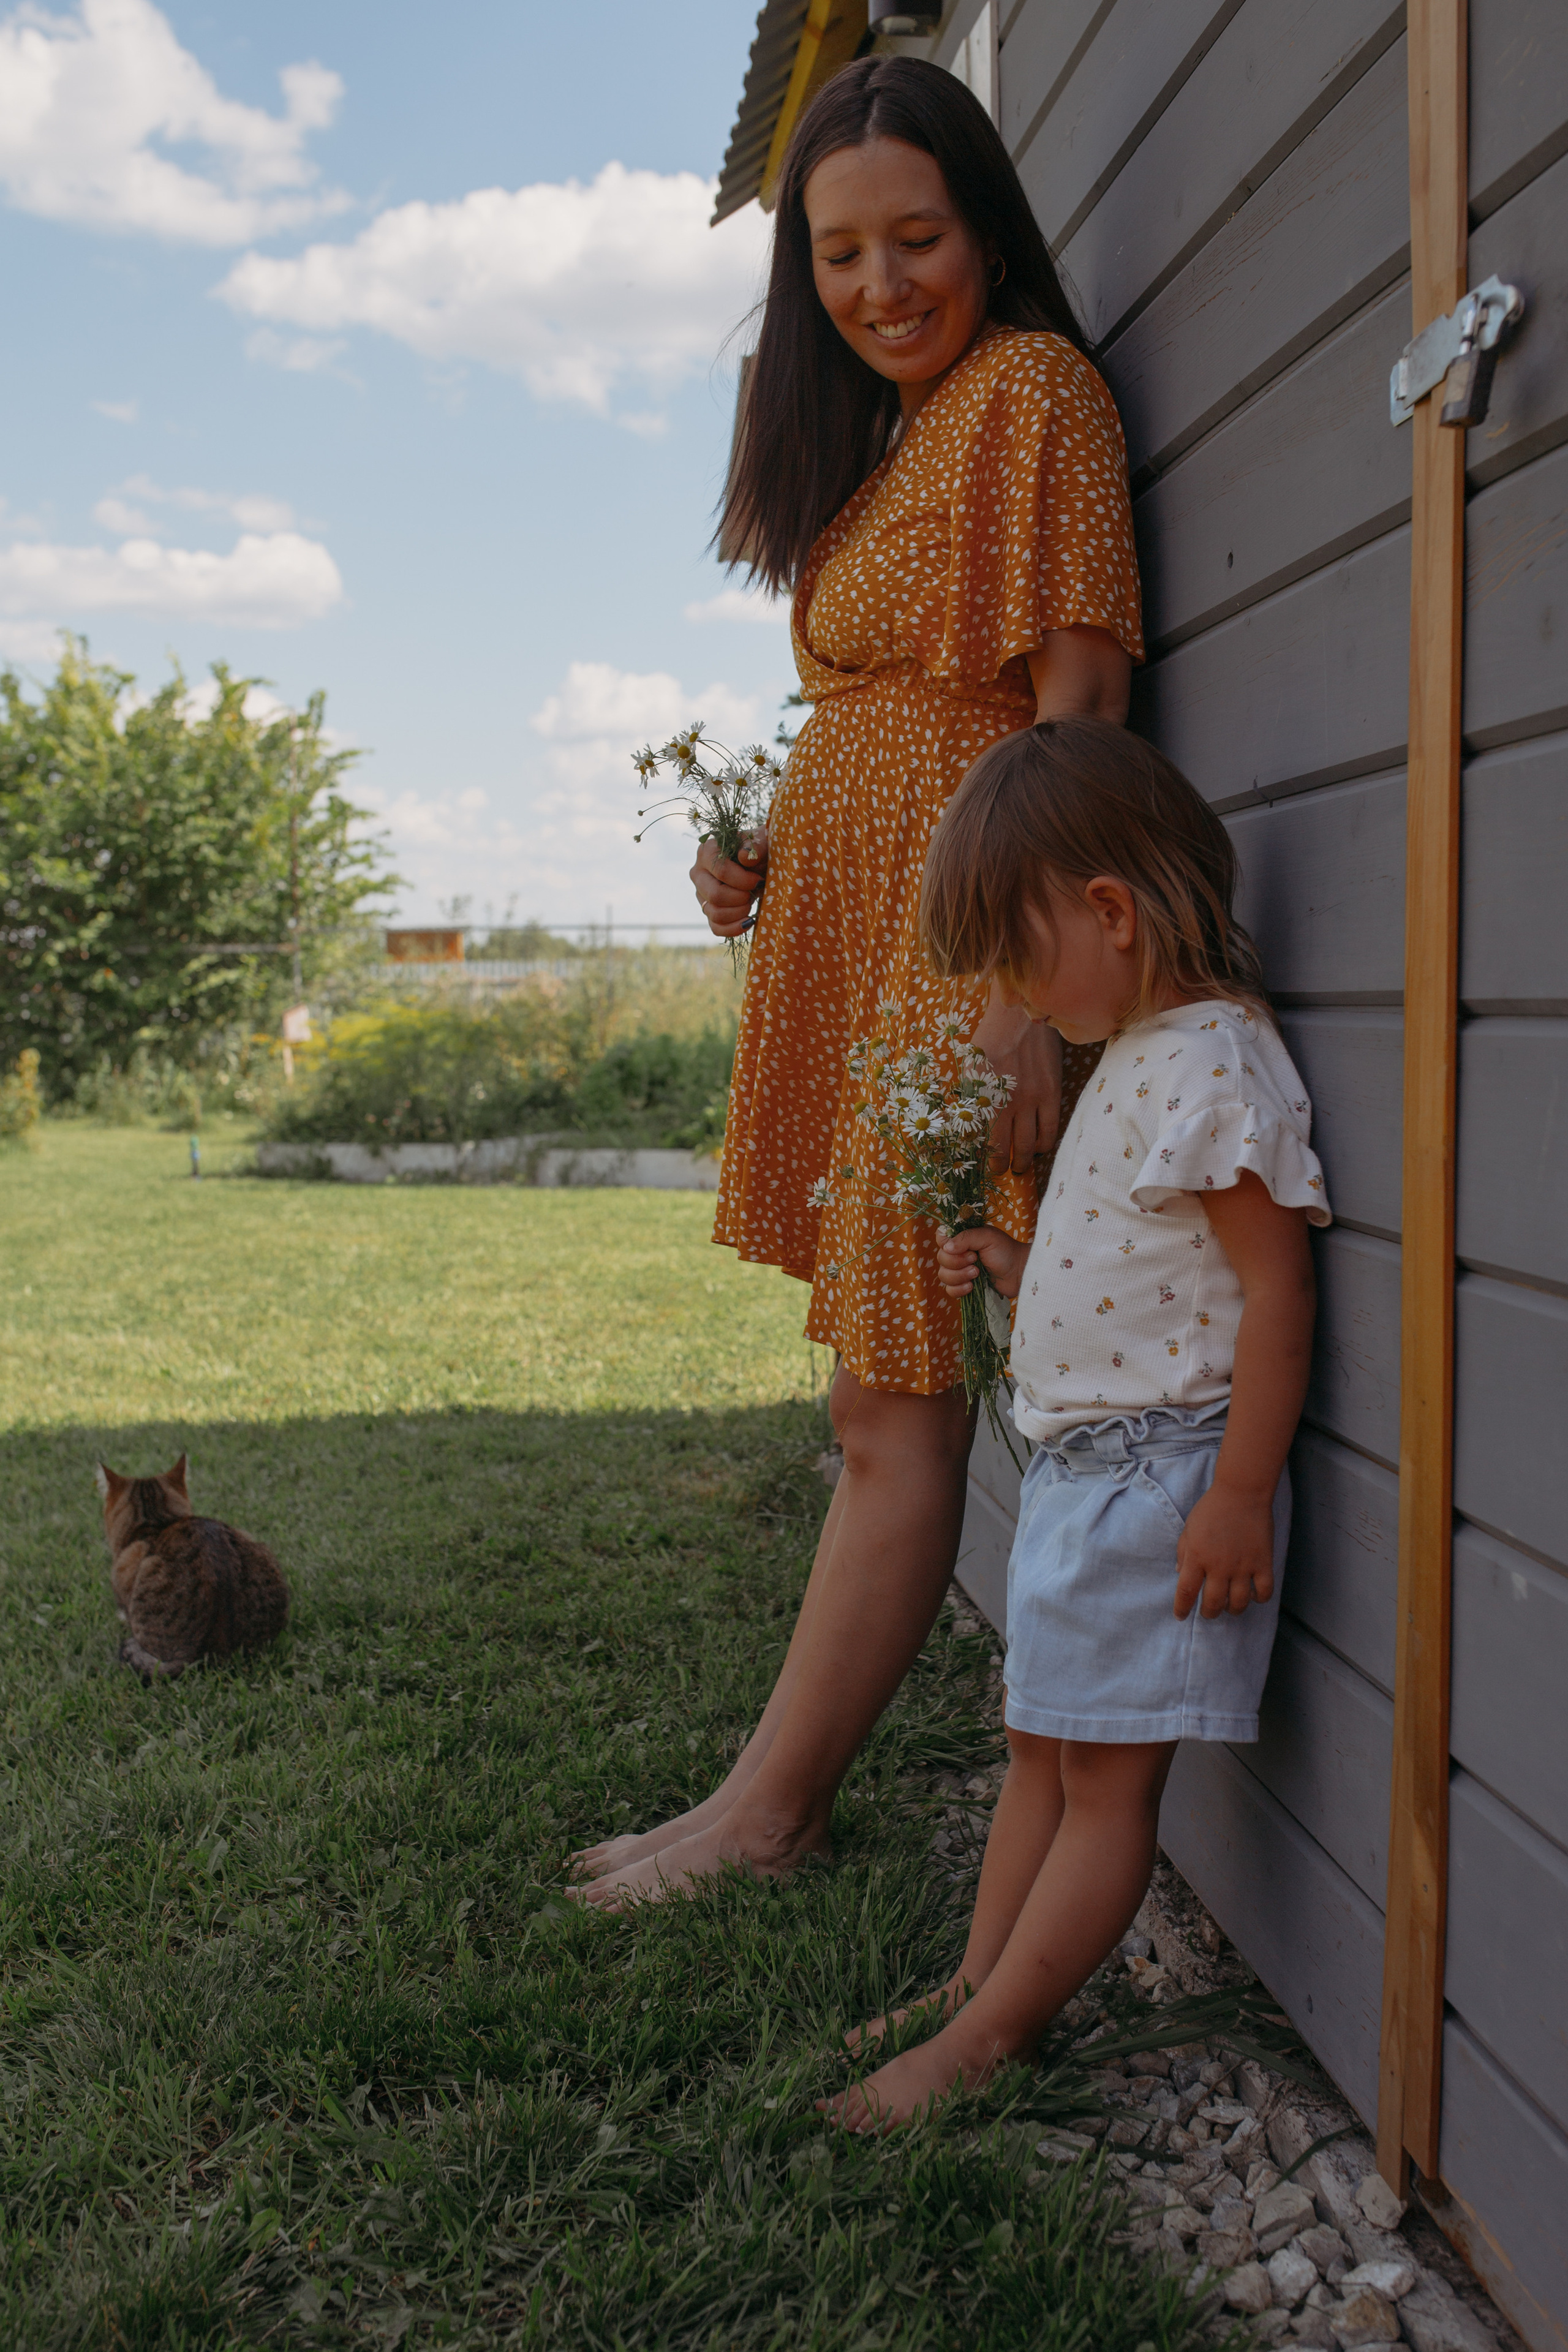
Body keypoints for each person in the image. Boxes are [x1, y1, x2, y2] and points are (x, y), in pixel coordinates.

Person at [571, 56, 1143, 1909]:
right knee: (870, 1398)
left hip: (959, 943)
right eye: (838, 256)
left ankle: (769, 1814)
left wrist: (1024, 999)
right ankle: (759, 1794)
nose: (881, 284)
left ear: (983, 227)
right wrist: (762, 847)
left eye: (916, 238)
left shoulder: (1038, 393)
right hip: (862, 928)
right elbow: (885, 715)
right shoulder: (906, 438)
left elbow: (1076, 712)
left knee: (898, 1396)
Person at [821, 717, 1328, 2128]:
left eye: (1014, 958)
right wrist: (1012, 1268)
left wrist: (1238, 1494)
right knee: (1039, 1754)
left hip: (1163, 1484)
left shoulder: (1214, 1066)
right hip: (1085, 1475)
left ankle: (986, 2042)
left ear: (1108, 912)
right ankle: (981, 1984)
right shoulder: (1140, 1050)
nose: (1009, 996)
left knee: (1104, 1792)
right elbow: (1150, 1275)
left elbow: (1274, 1296)